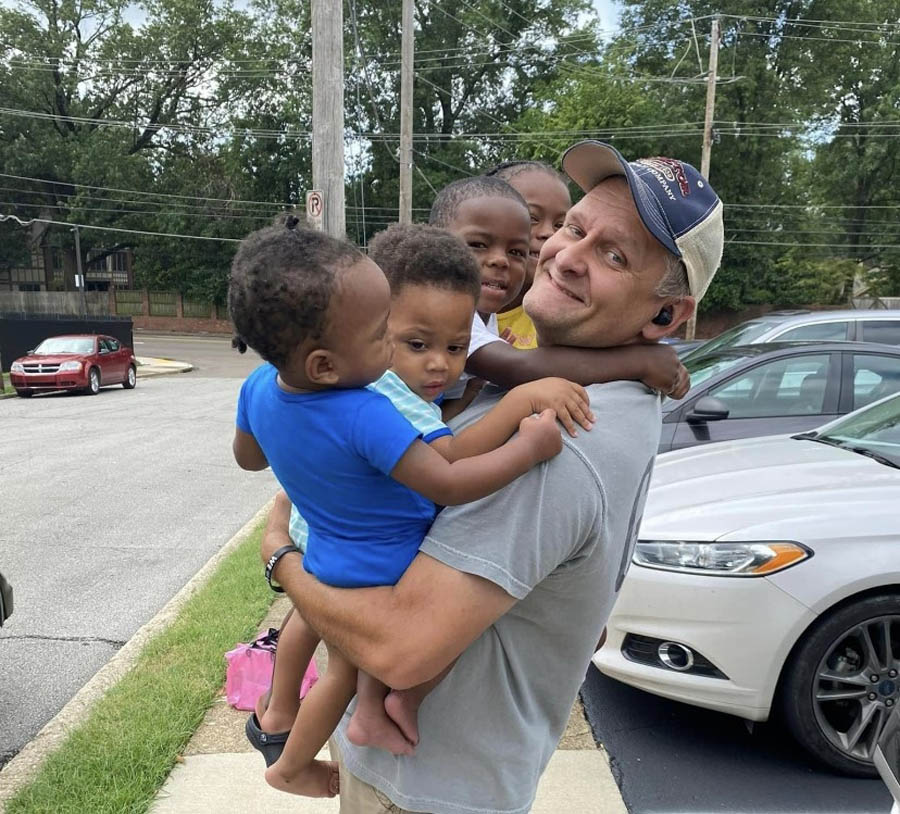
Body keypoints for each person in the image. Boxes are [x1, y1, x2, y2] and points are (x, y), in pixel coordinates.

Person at [260, 141, 725, 814]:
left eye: (613, 255)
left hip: (420, 792)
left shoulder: (564, 434)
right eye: (572, 229)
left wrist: (280, 555)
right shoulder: (553, 378)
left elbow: (397, 648)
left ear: (664, 317)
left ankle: (282, 724)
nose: (566, 255)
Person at [231, 220, 591, 797]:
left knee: (347, 667)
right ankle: (291, 766)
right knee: (391, 654)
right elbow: (446, 482)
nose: (389, 345)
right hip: (383, 564)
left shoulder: (258, 385)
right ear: (325, 363)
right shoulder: (365, 412)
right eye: (379, 336)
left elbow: (250, 457)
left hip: (326, 550)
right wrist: (528, 448)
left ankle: (340, 728)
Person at [430, 174, 691, 401]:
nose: (500, 261)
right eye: (477, 245)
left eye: (516, 252)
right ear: (434, 243)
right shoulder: (446, 312)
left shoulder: (479, 318)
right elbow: (518, 368)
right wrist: (639, 362)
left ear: (665, 312)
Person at [486, 160, 572, 350]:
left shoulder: (559, 315)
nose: (549, 233)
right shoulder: (456, 303)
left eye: (560, 225)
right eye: (531, 218)